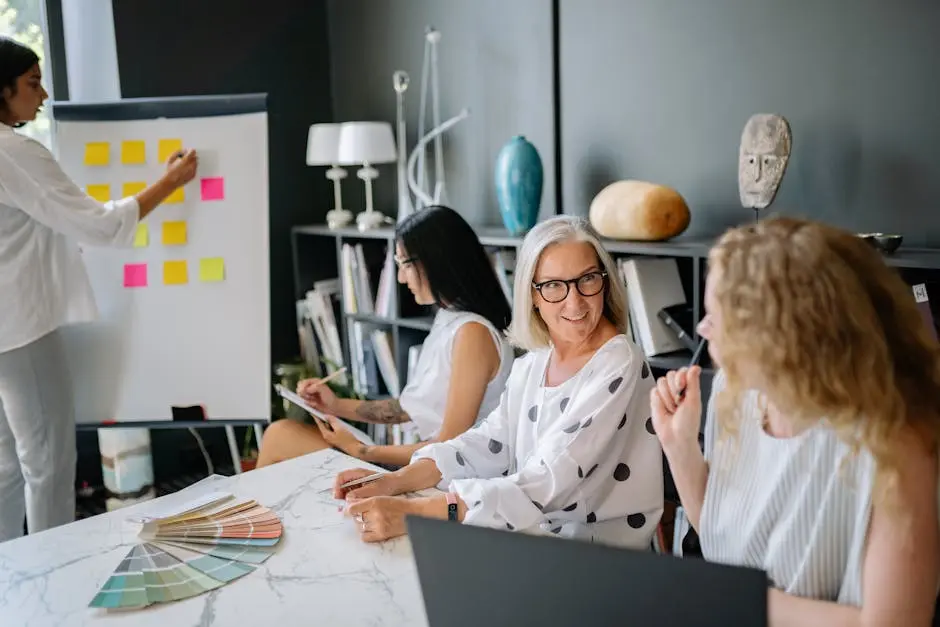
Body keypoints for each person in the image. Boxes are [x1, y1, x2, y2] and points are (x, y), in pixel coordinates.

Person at [653, 217, 940, 625]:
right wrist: (679, 447)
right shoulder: (737, 394)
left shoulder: (899, 440)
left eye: (717, 316)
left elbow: (892, 623)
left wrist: (728, 598)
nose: (701, 328)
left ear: (781, 335)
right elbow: (727, 542)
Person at [334, 215, 664, 548]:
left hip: (595, 559)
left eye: (588, 279)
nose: (574, 301)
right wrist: (394, 481)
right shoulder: (535, 361)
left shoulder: (618, 362)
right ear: (532, 294)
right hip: (535, 541)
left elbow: (547, 481)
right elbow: (489, 442)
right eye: (553, 285)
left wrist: (413, 512)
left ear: (605, 280)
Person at [0, 37, 198, 542]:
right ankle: (53, 571)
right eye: (32, 83)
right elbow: (101, 225)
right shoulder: (14, 151)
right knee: (47, 461)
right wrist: (170, 182)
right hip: (19, 327)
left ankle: (11, 573)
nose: (44, 95)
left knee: (7, 467)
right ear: (2, 90)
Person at [256, 205, 515, 468]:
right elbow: (405, 409)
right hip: (425, 463)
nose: (401, 278)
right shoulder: (450, 318)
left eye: (404, 264)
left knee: (280, 436)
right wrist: (334, 405)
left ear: (435, 262)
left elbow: (448, 446)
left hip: (442, 475)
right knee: (280, 435)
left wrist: (364, 451)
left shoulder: (473, 334)